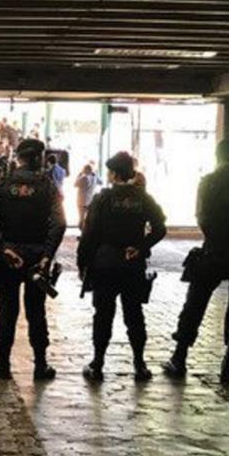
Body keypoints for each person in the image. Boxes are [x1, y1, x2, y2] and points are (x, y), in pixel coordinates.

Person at [163, 139, 229, 383]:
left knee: (195, 304)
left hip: (214, 253)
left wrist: (223, 245)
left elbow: (204, 217)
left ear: (218, 155)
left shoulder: (209, 182)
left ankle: (179, 358)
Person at [0, 139, 66, 380]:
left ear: (18, 157)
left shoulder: (2, 184)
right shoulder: (48, 186)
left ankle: (3, 364)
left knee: (7, 310)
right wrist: (47, 255)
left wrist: (3, 246)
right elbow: (59, 223)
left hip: (9, 258)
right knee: (36, 311)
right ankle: (40, 365)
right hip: (37, 259)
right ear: (39, 158)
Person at [77, 152, 166, 382]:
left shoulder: (103, 198)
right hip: (132, 265)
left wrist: (82, 262)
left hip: (105, 264)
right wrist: (141, 246)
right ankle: (139, 364)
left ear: (114, 174)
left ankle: (97, 364)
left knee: (103, 315)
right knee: (135, 314)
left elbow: (90, 234)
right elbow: (160, 228)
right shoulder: (143, 198)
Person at [74, 164, 97, 229]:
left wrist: (79, 175)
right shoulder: (94, 177)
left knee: (81, 219)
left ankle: (82, 235)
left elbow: (75, 184)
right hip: (90, 200)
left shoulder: (84, 178)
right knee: (87, 219)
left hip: (82, 201)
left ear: (86, 170)